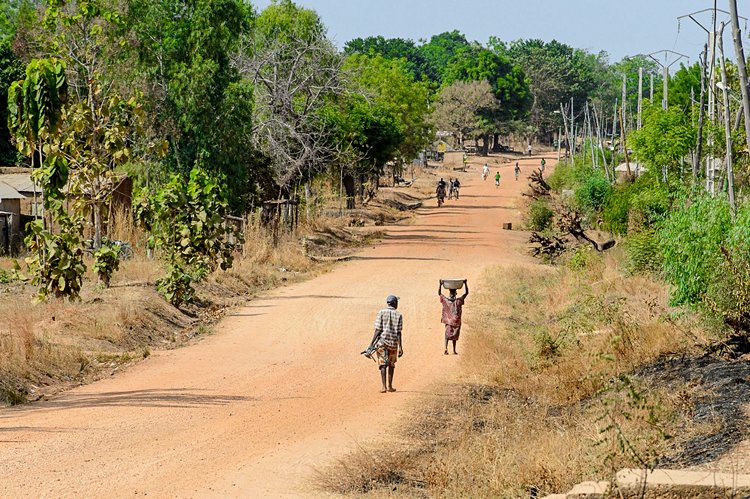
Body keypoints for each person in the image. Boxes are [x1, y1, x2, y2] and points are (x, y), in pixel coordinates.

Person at [366, 295, 403, 393]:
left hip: (381, 343)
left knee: (383, 364)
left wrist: (371, 344)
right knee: (391, 364)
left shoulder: (381, 313)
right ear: (394, 303)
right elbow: (399, 332)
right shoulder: (399, 315)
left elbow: (378, 329)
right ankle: (390, 386)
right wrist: (400, 347)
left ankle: (383, 387)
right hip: (393, 344)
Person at [438, 280, 468, 355]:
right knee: (455, 335)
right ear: (455, 293)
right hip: (456, 321)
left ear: (449, 293)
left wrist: (440, 285)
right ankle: (454, 350)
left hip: (448, 321)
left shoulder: (446, 300)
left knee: (447, 335)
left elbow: (439, 294)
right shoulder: (458, 301)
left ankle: (445, 348)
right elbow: (466, 293)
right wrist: (465, 284)